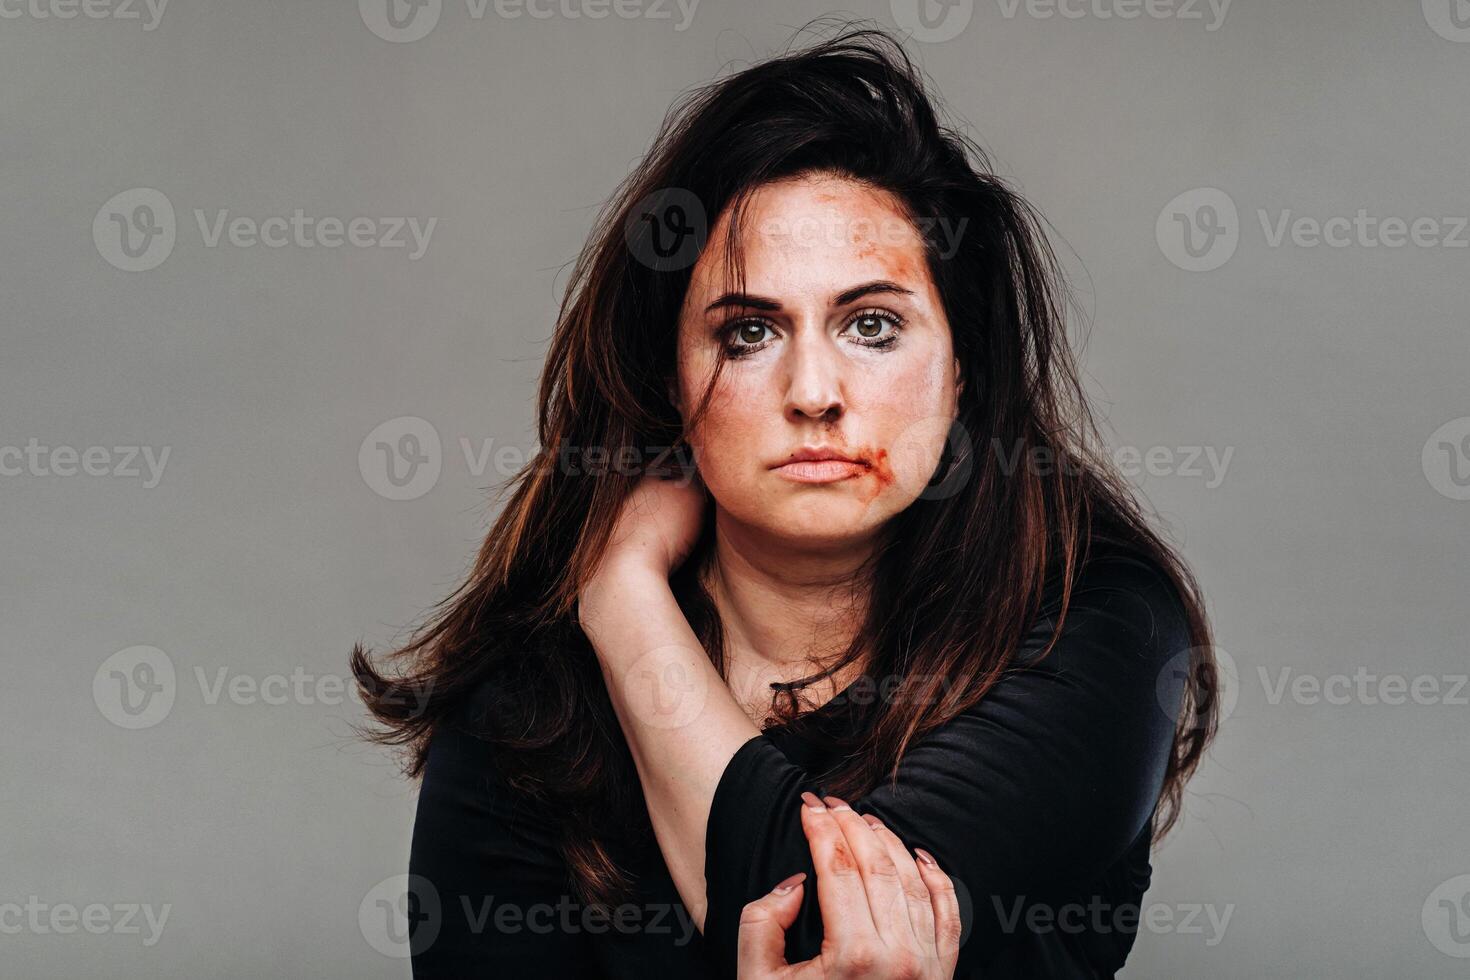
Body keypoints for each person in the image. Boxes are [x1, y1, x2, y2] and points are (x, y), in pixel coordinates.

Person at [354, 25, 1219, 979]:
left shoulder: (1089, 621)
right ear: (671, 381)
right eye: (750, 332)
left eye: (874, 325)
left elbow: (819, 936)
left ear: (963, 369)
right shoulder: (530, 709)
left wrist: (621, 594)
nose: (814, 391)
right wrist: (612, 608)